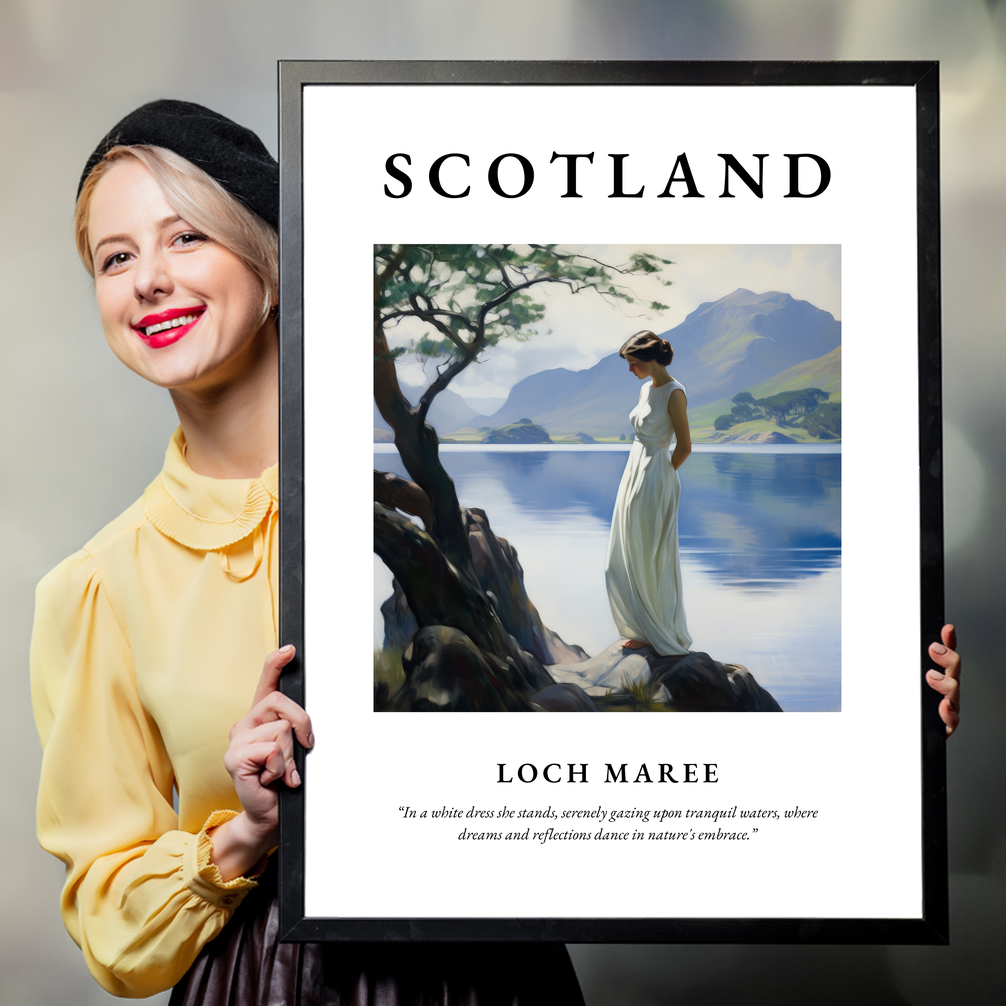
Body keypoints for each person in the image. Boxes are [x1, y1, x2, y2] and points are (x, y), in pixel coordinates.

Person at [30, 100, 584, 1004]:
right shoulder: (98, 587)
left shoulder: (428, 512)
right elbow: (109, 922)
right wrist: (244, 832)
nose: (148, 281)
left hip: (495, 974)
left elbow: (578, 733)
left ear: (274, 264)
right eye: (115, 257)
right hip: (265, 981)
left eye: (186, 238)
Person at [605, 331, 693, 655]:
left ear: (648, 359)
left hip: (655, 477)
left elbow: (684, 447)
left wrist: (661, 475)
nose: (630, 371)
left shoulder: (675, 393)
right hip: (633, 472)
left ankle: (657, 631)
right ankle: (642, 627)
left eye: (633, 363)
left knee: (650, 553)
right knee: (625, 552)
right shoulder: (645, 388)